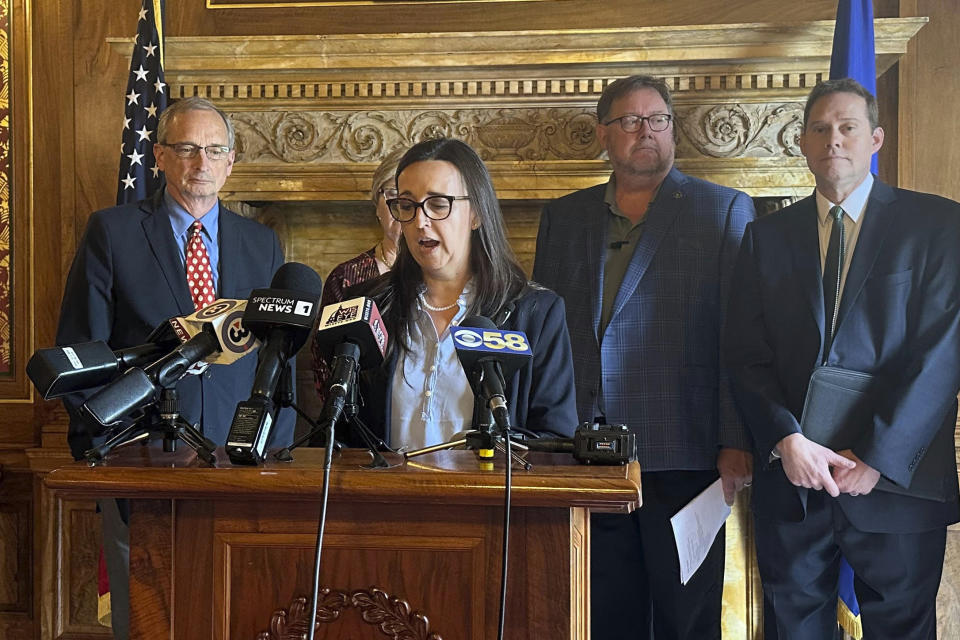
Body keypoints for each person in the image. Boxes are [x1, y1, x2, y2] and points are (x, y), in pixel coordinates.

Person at [724, 78, 960, 640]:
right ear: (802, 143)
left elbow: (943, 353)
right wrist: (785, 440)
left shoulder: (938, 226)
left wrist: (877, 456)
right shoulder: (765, 238)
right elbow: (744, 355)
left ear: (875, 139)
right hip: (796, 481)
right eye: (821, 128)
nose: (834, 139)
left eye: (848, 127)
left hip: (898, 485)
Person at [55, 96, 294, 639]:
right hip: (141, 458)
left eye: (214, 151)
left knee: (234, 608)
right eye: (186, 149)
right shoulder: (111, 232)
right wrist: (110, 440)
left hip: (240, 462)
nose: (200, 163)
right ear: (159, 156)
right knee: (145, 616)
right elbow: (79, 350)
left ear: (232, 162)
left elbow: (281, 359)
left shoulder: (262, 243)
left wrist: (275, 446)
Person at [532, 74, 755, 639]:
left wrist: (737, 440)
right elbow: (547, 336)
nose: (646, 132)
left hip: (687, 452)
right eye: (630, 121)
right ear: (604, 135)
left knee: (686, 621)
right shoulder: (564, 217)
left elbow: (743, 335)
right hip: (586, 455)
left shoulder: (724, 210)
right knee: (604, 615)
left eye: (657, 120)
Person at [348, 137, 578, 449]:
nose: (420, 222)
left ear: (476, 214)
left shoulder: (535, 314)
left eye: (438, 204)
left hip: (493, 497)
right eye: (407, 205)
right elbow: (341, 435)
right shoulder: (370, 307)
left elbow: (556, 441)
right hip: (386, 496)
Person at [310, 147, 404, 407]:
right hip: (361, 420)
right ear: (377, 205)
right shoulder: (347, 277)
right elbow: (323, 363)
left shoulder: (446, 280)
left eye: (413, 199)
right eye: (394, 196)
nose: (402, 208)